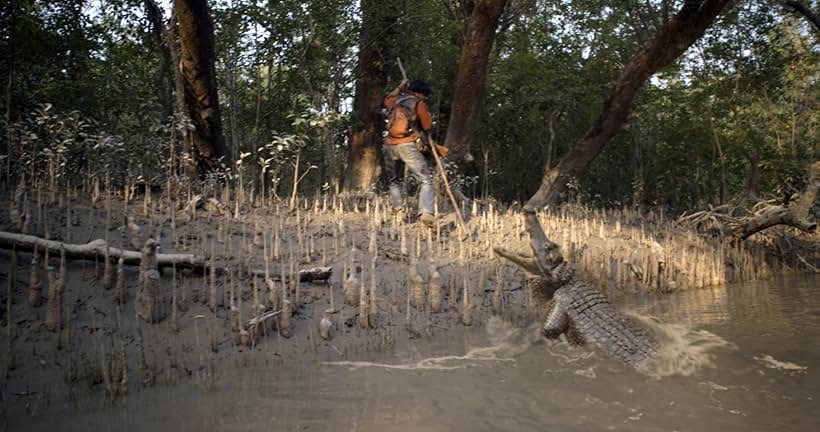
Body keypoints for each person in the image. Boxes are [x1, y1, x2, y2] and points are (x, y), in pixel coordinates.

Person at [383, 79, 435, 227]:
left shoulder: (395, 100)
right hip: (407, 144)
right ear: (420, 93)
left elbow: (387, 98)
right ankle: (426, 213)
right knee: (426, 180)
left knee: (394, 180)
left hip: (389, 145)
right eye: (425, 95)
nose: (425, 98)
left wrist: (400, 85)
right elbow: (427, 125)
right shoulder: (418, 103)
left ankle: (398, 211)